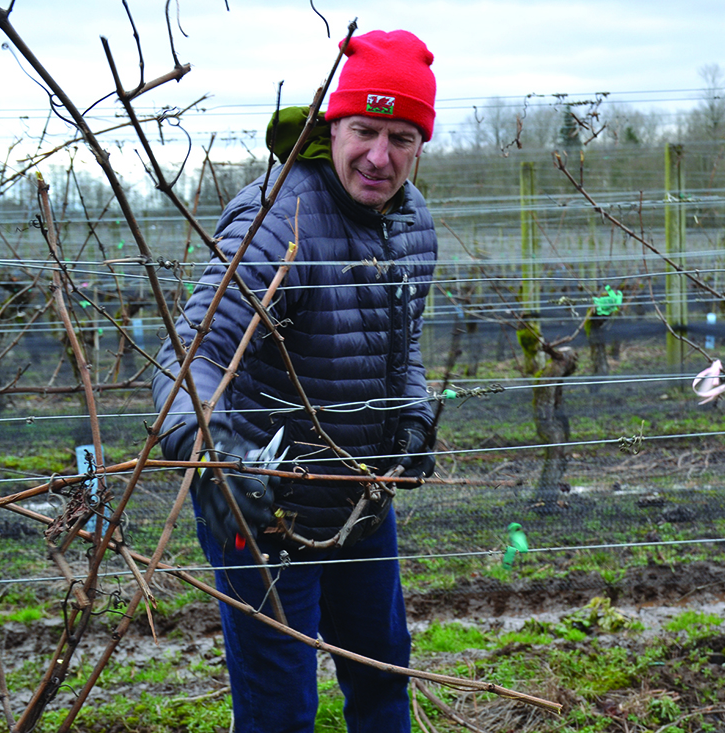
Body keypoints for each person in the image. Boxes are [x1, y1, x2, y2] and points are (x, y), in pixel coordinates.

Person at [151, 29, 438, 733]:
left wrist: (414, 415)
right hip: (264, 509)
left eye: (402, 137)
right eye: (365, 130)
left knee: (383, 684)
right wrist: (220, 462)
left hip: (361, 501)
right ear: (331, 125)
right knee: (279, 711)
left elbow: (403, 350)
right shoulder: (281, 221)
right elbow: (188, 354)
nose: (380, 155)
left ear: (421, 143)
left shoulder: (414, 223)